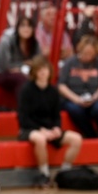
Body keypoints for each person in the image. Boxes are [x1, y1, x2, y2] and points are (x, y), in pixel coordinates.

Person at [18, 55, 83, 186]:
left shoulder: (53, 91)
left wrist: (57, 128)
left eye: (45, 69)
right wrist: (41, 130)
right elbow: (23, 118)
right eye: (39, 69)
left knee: (76, 139)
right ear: (34, 72)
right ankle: (44, 174)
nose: (43, 72)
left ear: (50, 71)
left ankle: (65, 172)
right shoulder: (26, 90)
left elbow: (56, 115)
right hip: (29, 129)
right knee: (40, 139)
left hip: (49, 128)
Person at [58, 35, 98, 138]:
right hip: (73, 97)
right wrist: (76, 99)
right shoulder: (70, 63)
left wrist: (94, 97)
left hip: (94, 97)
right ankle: (91, 135)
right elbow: (61, 85)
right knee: (75, 110)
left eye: (91, 54)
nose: (88, 56)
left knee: (97, 109)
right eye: (85, 53)